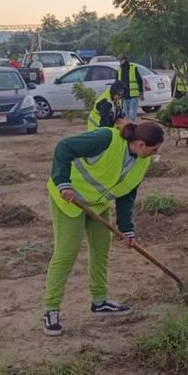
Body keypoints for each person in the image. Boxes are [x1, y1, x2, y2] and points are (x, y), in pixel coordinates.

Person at [42, 121, 165, 336]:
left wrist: (126, 229)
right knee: (67, 252)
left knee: (101, 249)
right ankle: (51, 310)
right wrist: (62, 182)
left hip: (97, 205)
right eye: (154, 149)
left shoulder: (142, 162)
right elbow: (64, 147)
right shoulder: (106, 139)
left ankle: (99, 302)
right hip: (69, 200)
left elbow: (127, 194)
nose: (155, 154)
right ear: (140, 144)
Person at [116, 55, 145, 121]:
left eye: (121, 60)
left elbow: (139, 81)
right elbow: (117, 83)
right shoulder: (119, 70)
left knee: (131, 113)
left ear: (125, 60)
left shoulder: (133, 68)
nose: (120, 62)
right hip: (124, 96)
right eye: (119, 60)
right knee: (127, 114)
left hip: (133, 96)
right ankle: (130, 125)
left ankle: (132, 124)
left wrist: (141, 93)